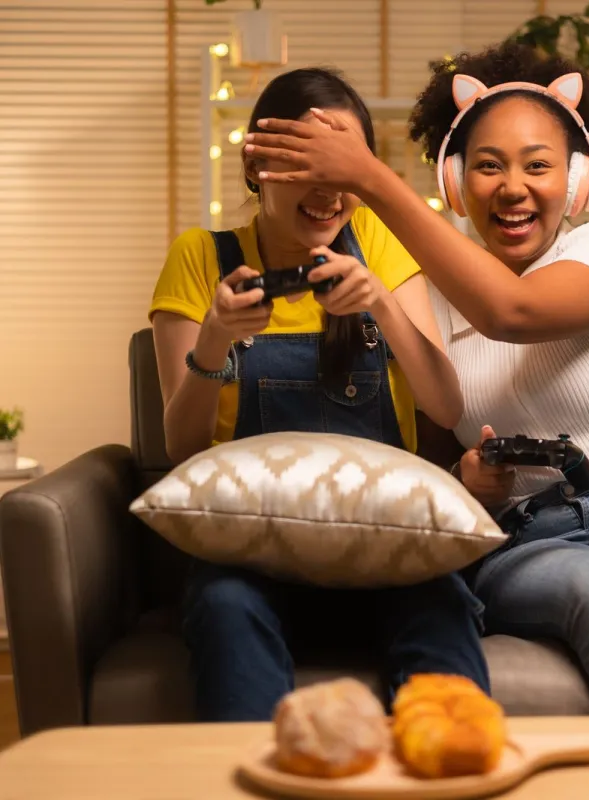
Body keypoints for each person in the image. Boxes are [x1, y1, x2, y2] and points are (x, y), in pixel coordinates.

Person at [242, 43, 589, 712]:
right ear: (454, 182)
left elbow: (513, 311)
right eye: (487, 166)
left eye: (538, 165)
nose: (513, 187)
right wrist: (464, 481)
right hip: (521, 536)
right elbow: (418, 454)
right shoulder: (421, 292)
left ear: (577, 179)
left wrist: (370, 178)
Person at [149, 66, 489, 722]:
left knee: (441, 610)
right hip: (250, 561)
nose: (330, 191)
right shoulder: (200, 257)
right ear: (258, 167)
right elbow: (181, 448)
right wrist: (215, 340)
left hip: (390, 554)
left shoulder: (380, 248)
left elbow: (446, 409)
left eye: (347, 169)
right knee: (222, 605)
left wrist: (383, 307)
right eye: (307, 162)